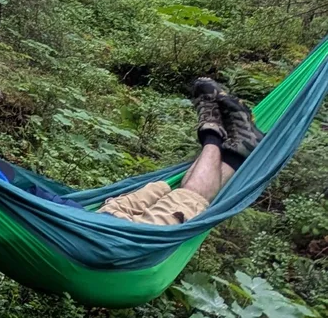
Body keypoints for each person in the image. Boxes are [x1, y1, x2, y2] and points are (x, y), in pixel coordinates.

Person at [98, 78, 264, 225]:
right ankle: (213, 133)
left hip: (96, 219)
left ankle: (238, 151)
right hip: (105, 241)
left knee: (159, 191)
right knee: (187, 200)